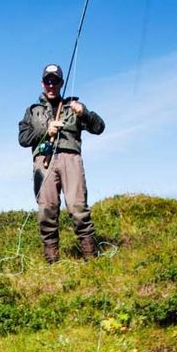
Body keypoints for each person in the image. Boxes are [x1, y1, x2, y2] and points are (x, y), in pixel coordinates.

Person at [18, 63, 105, 263]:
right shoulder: (32, 111)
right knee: (47, 209)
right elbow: (23, 139)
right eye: (47, 81)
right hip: (43, 161)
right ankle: (52, 262)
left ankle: (92, 259)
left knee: (77, 207)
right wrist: (45, 131)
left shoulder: (74, 108)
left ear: (61, 83)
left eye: (55, 81)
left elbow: (99, 127)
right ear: (42, 84)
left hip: (71, 159)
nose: (51, 85)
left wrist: (85, 114)